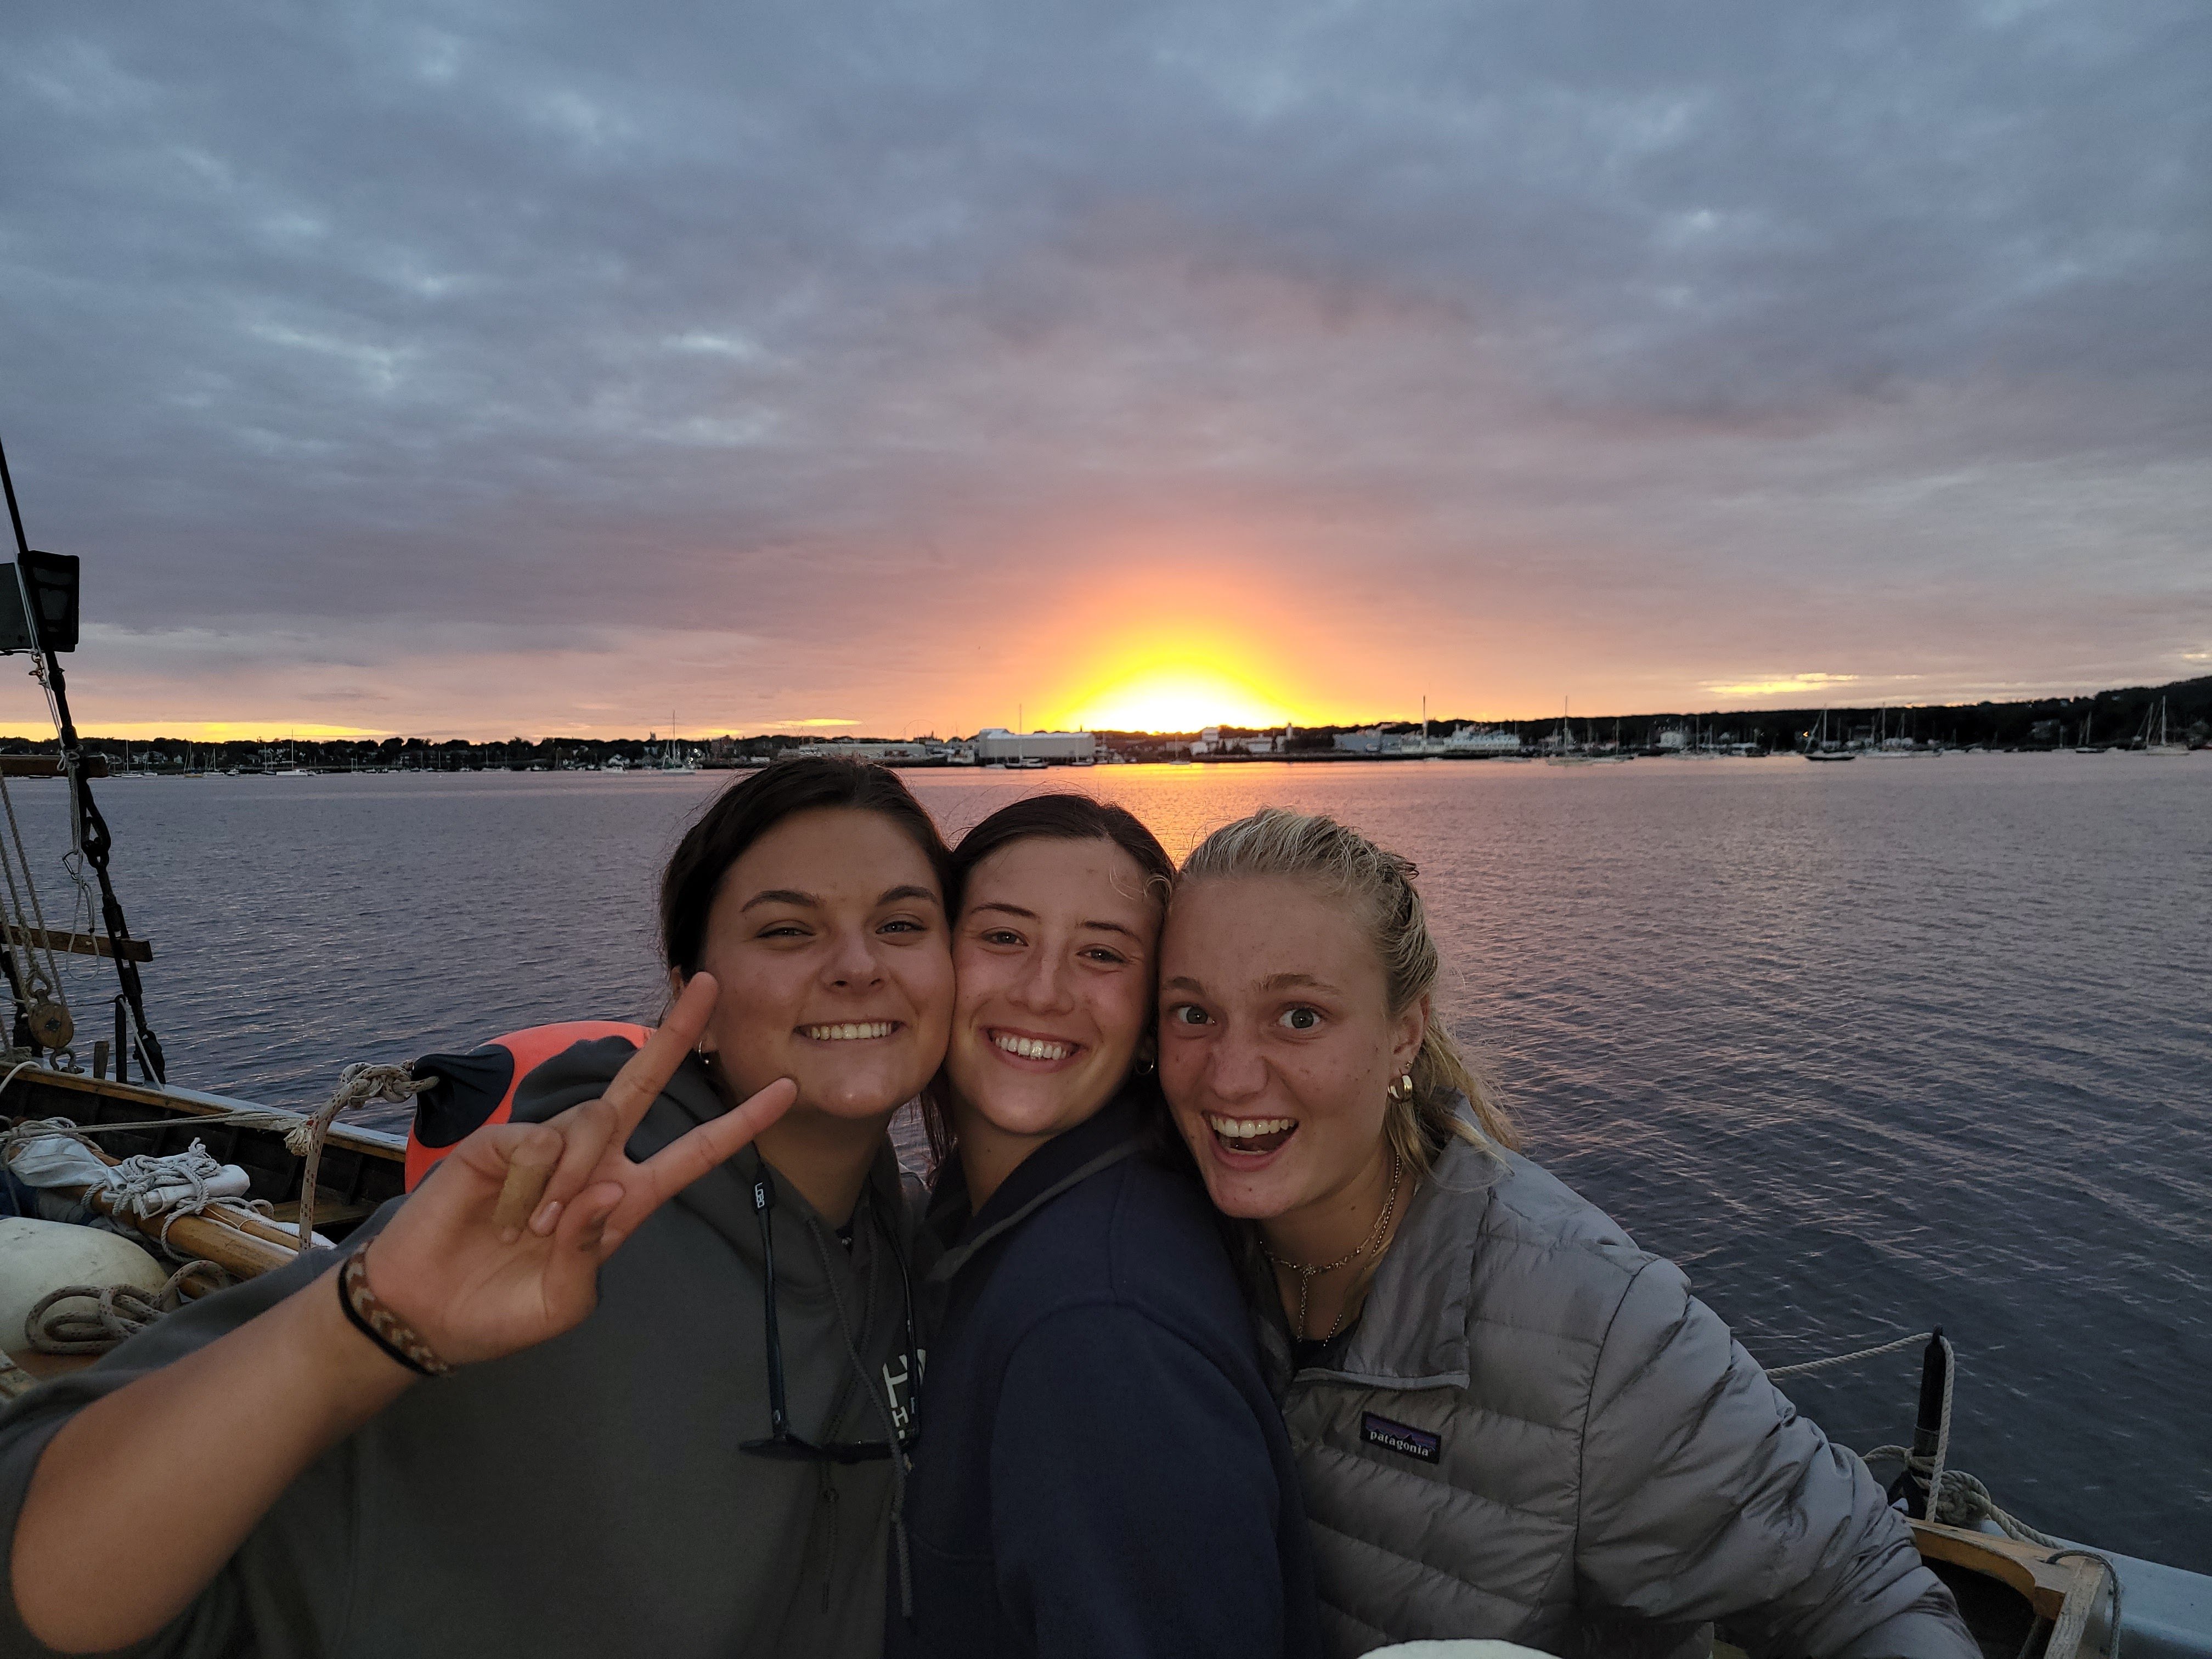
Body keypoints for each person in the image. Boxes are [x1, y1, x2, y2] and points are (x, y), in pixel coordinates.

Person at [2, 757, 955, 1658]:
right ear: (684, 997)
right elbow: (33, 1580)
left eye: (904, 925)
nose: (857, 965)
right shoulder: (539, 1228)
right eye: (787, 929)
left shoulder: (911, 1250)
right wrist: (357, 1332)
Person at [1156, 807, 1978, 1659]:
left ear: (1405, 1033)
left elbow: (1873, 1597)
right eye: (1192, 1014)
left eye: (1298, 1017)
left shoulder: (1591, 1327)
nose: (1231, 1075)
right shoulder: (1165, 1249)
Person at [890, 794, 1320, 1659]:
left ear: (1155, 1014)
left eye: (1101, 955)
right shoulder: (987, 1221)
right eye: (1004, 937)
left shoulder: (1100, 1326)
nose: (1044, 991)